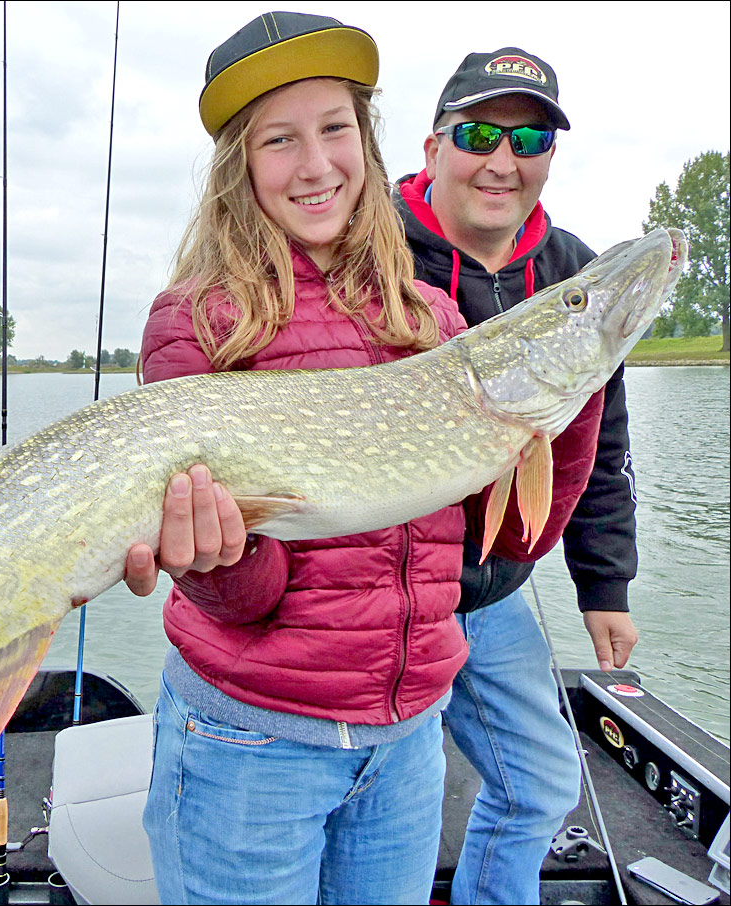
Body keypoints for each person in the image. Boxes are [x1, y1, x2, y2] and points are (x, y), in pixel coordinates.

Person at [122, 14, 601, 904]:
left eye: (336, 128)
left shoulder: (432, 319)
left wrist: (575, 384)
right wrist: (215, 561)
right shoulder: (199, 319)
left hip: (408, 745)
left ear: (368, 145)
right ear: (241, 168)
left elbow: (511, 541)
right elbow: (243, 602)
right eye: (281, 140)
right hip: (251, 751)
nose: (316, 165)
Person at [391, 48, 640, 904]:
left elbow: (603, 442)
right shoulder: (369, 248)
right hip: (385, 596)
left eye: (529, 137)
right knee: (400, 812)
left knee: (539, 784)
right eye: (479, 134)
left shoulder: (572, 267)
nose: (503, 160)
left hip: (493, 594)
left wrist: (605, 585)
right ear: (434, 148)